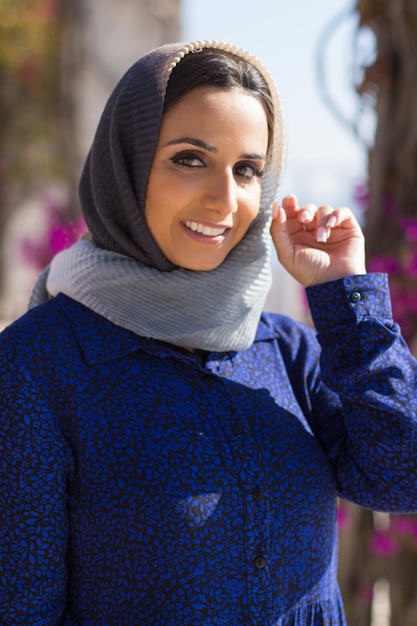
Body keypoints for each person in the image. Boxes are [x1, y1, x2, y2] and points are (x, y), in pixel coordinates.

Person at [1, 40, 417, 626]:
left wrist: (346, 297)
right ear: (126, 162)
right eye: (190, 158)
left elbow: (402, 476)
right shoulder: (35, 368)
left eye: (248, 169)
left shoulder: (284, 349)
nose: (225, 200)